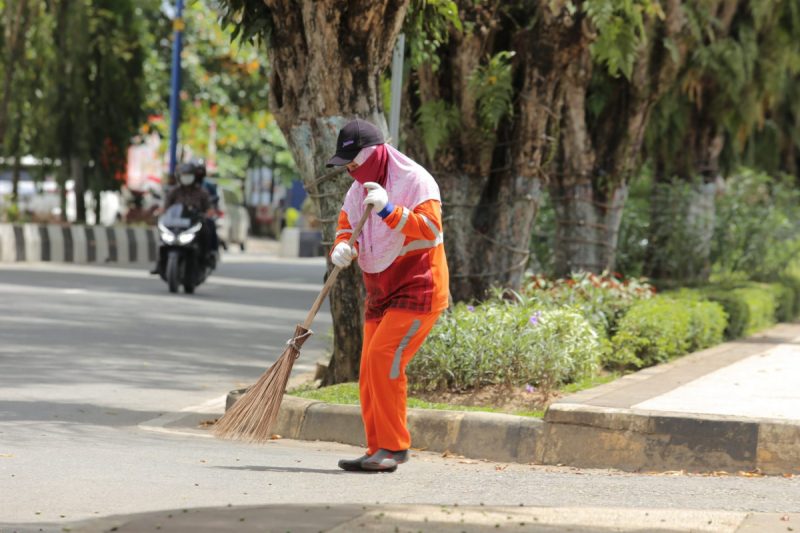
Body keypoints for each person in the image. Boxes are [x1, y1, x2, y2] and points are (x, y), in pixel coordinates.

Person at [326, 118, 449, 473]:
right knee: (368, 370)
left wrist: (387, 210)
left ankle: (394, 449)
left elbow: (429, 227)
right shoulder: (357, 190)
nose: (350, 170)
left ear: (375, 154)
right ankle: (376, 448)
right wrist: (341, 249)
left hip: (419, 288)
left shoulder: (416, 181)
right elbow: (346, 226)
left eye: (353, 162)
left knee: (384, 358)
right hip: (379, 292)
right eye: (346, 164)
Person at [150, 161, 219, 273]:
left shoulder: (202, 192)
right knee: (162, 236)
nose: (186, 178)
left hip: (194, 223)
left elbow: (209, 209)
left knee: (209, 226)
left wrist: (208, 214)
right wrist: (160, 211)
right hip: (177, 224)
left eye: (189, 175)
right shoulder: (174, 191)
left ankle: (208, 256)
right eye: (184, 175)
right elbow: (166, 207)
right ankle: (160, 263)